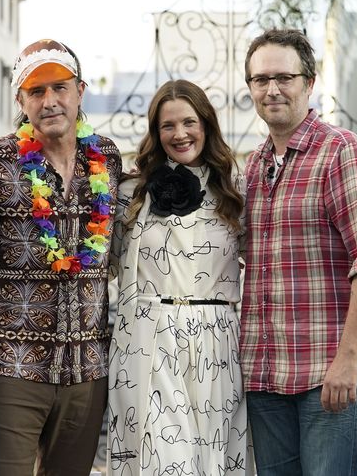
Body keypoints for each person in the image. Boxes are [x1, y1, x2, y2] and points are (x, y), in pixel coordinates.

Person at [0, 39, 122, 476]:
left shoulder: (105, 158)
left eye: (60, 88)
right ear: (20, 100)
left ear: (80, 91)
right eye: (36, 91)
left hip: (86, 371)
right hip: (8, 368)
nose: (50, 101)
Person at [241, 29, 357, 476]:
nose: (272, 89)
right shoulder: (254, 167)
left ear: (308, 84)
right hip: (267, 374)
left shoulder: (343, 153)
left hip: (330, 372)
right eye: (260, 79)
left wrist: (349, 359)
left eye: (284, 77)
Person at [107, 79, 252, 475]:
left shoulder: (235, 192)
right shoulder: (129, 193)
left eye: (189, 122)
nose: (180, 134)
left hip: (217, 341)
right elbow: (106, 261)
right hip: (149, 337)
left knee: (216, 460)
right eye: (167, 125)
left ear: (206, 125)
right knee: (162, 462)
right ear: (156, 133)